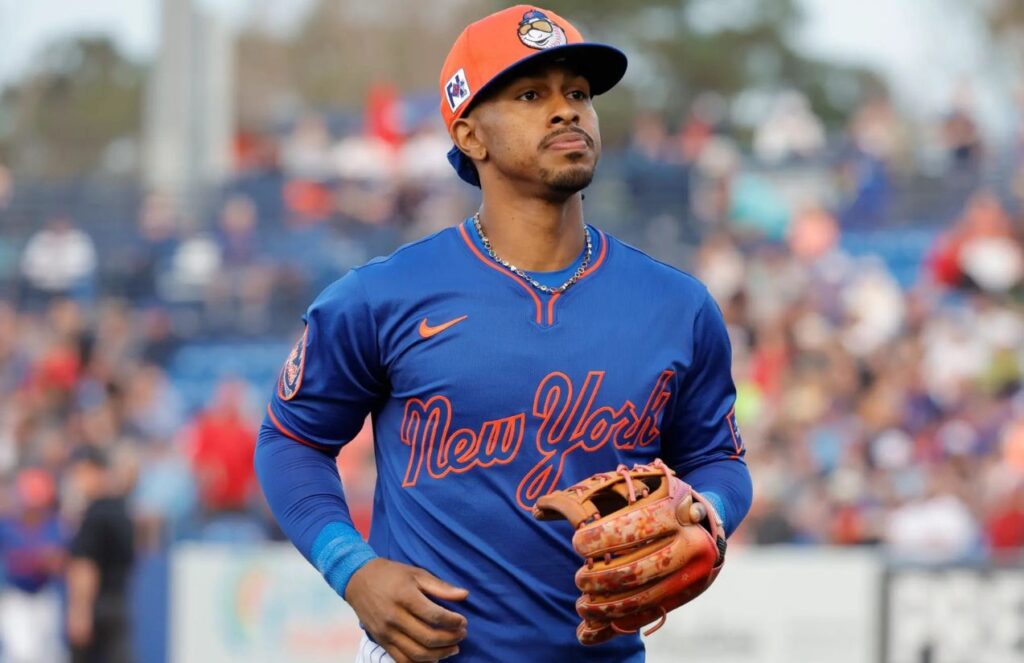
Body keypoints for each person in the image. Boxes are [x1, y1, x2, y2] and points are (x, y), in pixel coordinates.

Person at [255, 6, 752, 662]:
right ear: (470, 135)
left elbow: (718, 459)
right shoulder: (383, 295)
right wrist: (353, 567)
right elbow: (290, 439)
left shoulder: (676, 305)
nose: (565, 110)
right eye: (530, 95)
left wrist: (706, 513)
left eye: (578, 93)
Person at [65, 446, 135, 663]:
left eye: (82, 473)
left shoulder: (95, 514)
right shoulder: (121, 509)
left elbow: (86, 565)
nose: (78, 481)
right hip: (118, 603)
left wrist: (80, 611)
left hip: (97, 606)